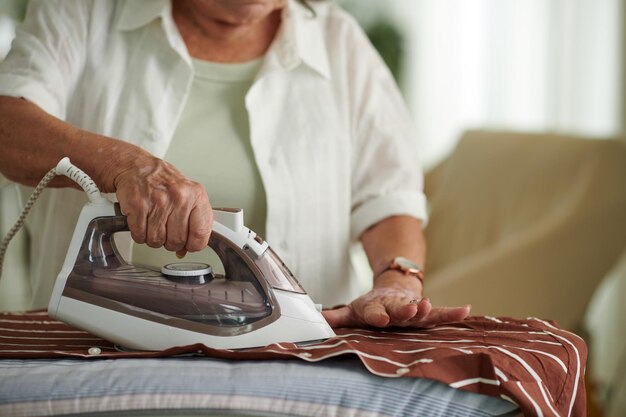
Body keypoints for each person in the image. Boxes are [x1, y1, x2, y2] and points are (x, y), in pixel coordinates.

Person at [0, 0, 470, 329]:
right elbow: (8, 123)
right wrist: (125, 166)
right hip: (94, 361)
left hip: (295, 372)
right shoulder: (82, 12)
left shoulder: (338, 42)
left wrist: (395, 282)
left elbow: (388, 197)